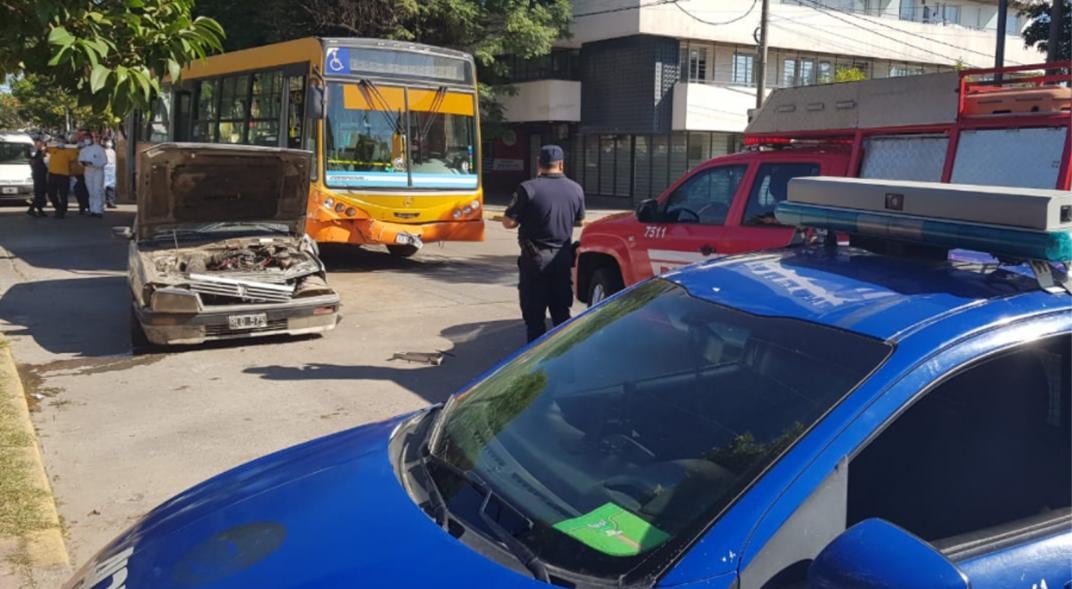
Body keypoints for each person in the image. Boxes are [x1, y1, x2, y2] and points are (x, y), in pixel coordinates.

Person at [502, 145, 585, 343]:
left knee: (534, 319)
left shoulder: (528, 188)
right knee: (561, 315)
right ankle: (564, 361)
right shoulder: (576, 189)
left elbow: (509, 222)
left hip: (535, 261)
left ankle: (535, 364)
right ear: (561, 164)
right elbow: (580, 221)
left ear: (539, 164)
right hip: (563, 259)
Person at [46, 139, 77, 219]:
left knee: (63, 195)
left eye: (61, 141)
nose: (60, 143)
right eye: (58, 141)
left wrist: (73, 172)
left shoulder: (69, 151)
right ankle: (58, 207)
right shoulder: (53, 149)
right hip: (52, 174)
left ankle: (62, 211)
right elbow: (46, 147)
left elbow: (73, 161)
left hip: (64, 175)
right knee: (51, 194)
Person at [79, 133, 108, 218]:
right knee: (91, 190)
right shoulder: (83, 150)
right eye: (85, 139)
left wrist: (95, 164)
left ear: (92, 139)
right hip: (88, 171)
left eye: (88, 138)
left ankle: (98, 210)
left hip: (98, 171)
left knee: (97, 190)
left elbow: (104, 161)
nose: (86, 140)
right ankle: (92, 209)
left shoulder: (99, 149)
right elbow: (80, 160)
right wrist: (84, 163)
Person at [26, 139, 48, 217]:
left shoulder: (42, 151)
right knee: (39, 192)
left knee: (42, 193)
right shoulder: (33, 150)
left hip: (43, 173)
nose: (42, 145)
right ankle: (32, 209)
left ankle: (39, 209)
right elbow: (34, 159)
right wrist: (42, 152)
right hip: (38, 174)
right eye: (40, 144)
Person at [70, 131, 90, 215]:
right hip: (77, 173)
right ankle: (83, 206)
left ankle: (85, 206)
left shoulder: (87, 147)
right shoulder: (75, 147)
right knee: (79, 190)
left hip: (86, 172)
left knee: (82, 189)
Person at [103, 139, 117, 208]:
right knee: (103, 187)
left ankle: (110, 202)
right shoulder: (102, 151)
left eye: (109, 142)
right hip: (104, 170)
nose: (108, 143)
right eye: (107, 142)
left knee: (111, 187)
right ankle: (102, 202)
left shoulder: (113, 151)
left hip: (112, 170)